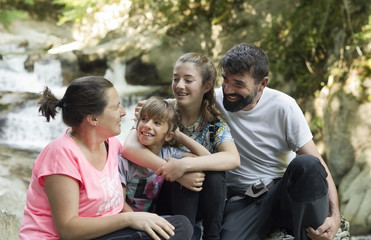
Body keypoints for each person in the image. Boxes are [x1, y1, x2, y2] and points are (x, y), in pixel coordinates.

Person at [19, 76, 193, 240]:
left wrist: (181, 171)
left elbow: (134, 149)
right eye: (116, 107)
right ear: (94, 119)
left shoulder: (111, 144)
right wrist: (131, 219)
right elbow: (68, 229)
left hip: (104, 234)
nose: (124, 112)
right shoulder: (60, 154)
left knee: (179, 226)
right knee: (179, 228)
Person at [216, 43, 341, 240]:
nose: (228, 89)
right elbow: (172, 108)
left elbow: (317, 163)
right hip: (244, 201)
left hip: (284, 194)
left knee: (307, 164)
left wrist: (335, 216)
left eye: (239, 84)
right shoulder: (213, 100)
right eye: (225, 79)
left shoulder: (284, 106)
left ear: (262, 84)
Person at [122, 53, 240, 240]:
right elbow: (129, 148)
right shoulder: (159, 111)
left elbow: (233, 159)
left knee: (215, 173)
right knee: (186, 172)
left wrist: (183, 162)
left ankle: (212, 236)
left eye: (188, 80)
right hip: (160, 197)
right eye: (175, 79)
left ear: (206, 86)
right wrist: (174, 172)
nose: (179, 85)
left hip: (199, 198)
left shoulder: (214, 124)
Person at [119, 96, 211, 213]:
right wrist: (139, 222)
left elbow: (208, 159)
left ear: (168, 136)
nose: (147, 125)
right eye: (143, 119)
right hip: (131, 220)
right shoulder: (123, 160)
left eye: (157, 123)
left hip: (159, 216)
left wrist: (179, 135)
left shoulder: (169, 154)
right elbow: (119, 202)